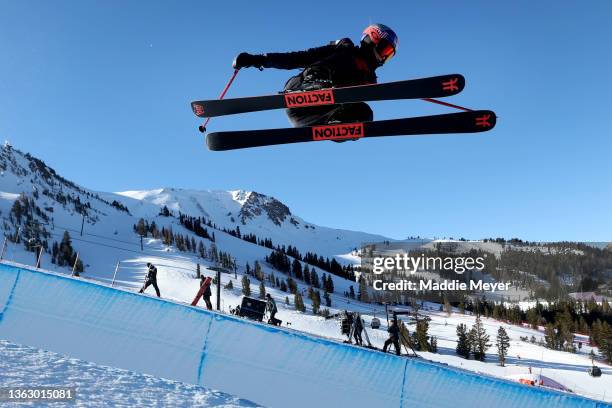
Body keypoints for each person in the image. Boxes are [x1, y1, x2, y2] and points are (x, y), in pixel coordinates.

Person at [232, 24, 398, 129]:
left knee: (365, 113)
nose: (384, 57)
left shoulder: (370, 80)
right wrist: (256, 60)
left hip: (315, 116)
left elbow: (393, 91)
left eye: (389, 54)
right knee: (346, 60)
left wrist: (422, 92)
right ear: (371, 40)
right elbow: (296, 58)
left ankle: (340, 126)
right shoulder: (343, 49)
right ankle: (313, 86)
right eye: (384, 50)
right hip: (299, 92)